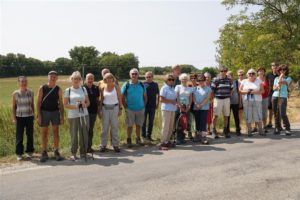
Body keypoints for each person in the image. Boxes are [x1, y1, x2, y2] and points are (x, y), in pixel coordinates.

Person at [36, 71, 64, 162]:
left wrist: (62, 116)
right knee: (44, 133)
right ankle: (44, 152)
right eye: (51, 76)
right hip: (44, 112)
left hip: (55, 112)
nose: (53, 78)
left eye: (54, 77)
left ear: (57, 78)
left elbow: (61, 103)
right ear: (48, 77)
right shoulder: (42, 88)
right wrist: (39, 115)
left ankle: (56, 151)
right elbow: (38, 102)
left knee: (56, 133)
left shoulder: (58, 89)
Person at [64, 71, 90, 161]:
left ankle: (83, 153)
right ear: (71, 79)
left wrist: (84, 105)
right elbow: (65, 104)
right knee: (74, 135)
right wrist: (75, 106)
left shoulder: (83, 89)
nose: (76, 80)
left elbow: (88, 102)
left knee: (84, 134)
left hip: (84, 114)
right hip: (73, 116)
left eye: (78, 78)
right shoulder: (68, 90)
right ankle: (73, 153)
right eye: (74, 78)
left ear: (80, 80)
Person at [121, 68, 147, 148]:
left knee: (139, 125)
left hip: (140, 108)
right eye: (133, 74)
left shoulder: (142, 84)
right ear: (130, 75)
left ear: (138, 75)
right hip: (130, 109)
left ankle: (138, 139)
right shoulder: (126, 85)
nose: (134, 75)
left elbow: (145, 96)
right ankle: (129, 140)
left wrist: (144, 106)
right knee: (130, 125)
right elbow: (122, 97)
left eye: (136, 74)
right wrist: (126, 107)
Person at [12, 76, 35, 161]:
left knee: (30, 135)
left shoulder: (31, 92)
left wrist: (34, 115)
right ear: (18, 82)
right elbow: (14, 106)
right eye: (22, 81)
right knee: (19, 136)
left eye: (25, 81)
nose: (24, 83)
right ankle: (19, 154)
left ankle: (29, 152)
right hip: (19, 117)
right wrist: (14, 118)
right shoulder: (15, 93)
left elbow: (32, 104)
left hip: (29, 116)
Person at [99, 73, 122, 152]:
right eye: (107, 78)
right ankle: (103, 145)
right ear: (105, 79)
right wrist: (100, 110)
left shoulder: (116, 87)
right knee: (104, 128)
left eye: (110, 77)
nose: (109, 79)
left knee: (114, 127)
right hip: (105, 108)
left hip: (115, 108)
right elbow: (102, 99)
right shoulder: (102, 88)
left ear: (113, 78)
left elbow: (120, 98)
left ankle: (115, 145)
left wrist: (120, 109)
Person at [239, 69, 264, 136]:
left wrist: (254, 92)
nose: (251, 75)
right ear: (247, 74)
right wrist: (247, 92)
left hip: (257, 100)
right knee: (248, 115)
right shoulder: (244, 81)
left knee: (258, 115)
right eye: (250, 73)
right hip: (247, 101)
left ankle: (260, 130)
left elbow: (262, 91)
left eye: (253, 73)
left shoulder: (259, 81)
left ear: (255, 74)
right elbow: (240, 91)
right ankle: (249, 131)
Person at [211, 67, 233, 139]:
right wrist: (214, 99)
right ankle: (213, 130)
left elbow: (232, 88)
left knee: (226, 115)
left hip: (226, 99)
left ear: (226, 71)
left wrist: (229, 95)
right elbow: (212, 91)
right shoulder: (216, 79)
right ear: (219, 71)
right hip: (218, 99)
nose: (223, 72)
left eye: (225, 71)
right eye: (222, 71)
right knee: (216, 115)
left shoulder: (229, 79)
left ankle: (225, 130)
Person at [272, 65, 292, 135]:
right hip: (275, 96)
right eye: (281, 70)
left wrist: (280, 77)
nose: (282, 71)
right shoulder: (276, 78)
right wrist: (278, 85)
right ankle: (277, 128)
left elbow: (282, 82)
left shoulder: (288, 78)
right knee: (276, 113)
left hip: (283, 96)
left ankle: (287, 128)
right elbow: (274, 88)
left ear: (286, 71)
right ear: (279, 71)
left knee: (282, 113)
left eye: (284, 70)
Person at [159, 74, 177, 150]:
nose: (171, 81)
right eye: (169, 79)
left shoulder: (172, 88)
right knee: (165, 126)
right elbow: (161, 100)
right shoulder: (164, 88)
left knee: (170, 126)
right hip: (166, 109)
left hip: (173, 109)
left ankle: (167, 141)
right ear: (166, 80)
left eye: (172, 79)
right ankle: (162, 142)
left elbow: (175, 99)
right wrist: (171, 101)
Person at [193, 74, 211, 144]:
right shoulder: (195, 88)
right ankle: (197, 135)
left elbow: (207, 98)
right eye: (199, 80)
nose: (200, 82)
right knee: (197, 122)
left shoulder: (208, 88)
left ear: (204, 80)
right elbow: (193, 97)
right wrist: (196, 104)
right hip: (196, 107)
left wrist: (201, 105)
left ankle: (203, 137)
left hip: (204, 108)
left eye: (202, 80)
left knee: (203, 122)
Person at [174, 73, 193, 144]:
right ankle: (178, 138)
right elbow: (177, 97)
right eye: (182, 79)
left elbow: (190, 97)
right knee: (179, 123)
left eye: (185, 79)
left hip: (187, 107)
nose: (184, 80)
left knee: (185, 123)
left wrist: (189, 106)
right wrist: (179, 106)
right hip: (179, 107)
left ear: (187, 80)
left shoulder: (189, 88)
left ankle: (183, 137)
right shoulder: (177, 87)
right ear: (180, 80)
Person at [83, 73, 99, 153]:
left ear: (93, 79)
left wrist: (99, 110)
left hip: (93, 112)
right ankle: (83, 148)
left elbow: (97, 99)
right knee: (84, 130)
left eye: (91, 78)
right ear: (85, 79)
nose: (90, 80)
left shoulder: (96, 88)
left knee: (90, 130)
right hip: (84, 112)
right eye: (88, 78)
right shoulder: (82, 88)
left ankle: (89, 147)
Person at [142, 71, 159, 141]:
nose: (148, 78)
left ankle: (149, 136)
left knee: (151, 122)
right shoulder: (142, 84)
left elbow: (158, 94)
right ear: (145, 77)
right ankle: (143, 136)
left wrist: (157, 103)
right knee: (143, 122)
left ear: (152, 77)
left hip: (152, 106)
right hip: (144, 106)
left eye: (150, 77)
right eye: (147, 77)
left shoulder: (155, 84)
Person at [226, 71, 241, 136]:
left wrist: (240, 102)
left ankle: (238, 129)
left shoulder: (237, 82)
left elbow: (239, 93)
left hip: (235, 102)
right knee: (227, 116)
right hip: (227, 102)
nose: (230, 77)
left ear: (233, 76)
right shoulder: (226, 83)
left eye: (231, 75)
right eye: (228, 76)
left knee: (236, 116)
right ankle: (227, 129)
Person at [266, 62, 279, 128]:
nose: (274, 67)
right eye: (273, 65)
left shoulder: (280, 75)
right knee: (270, 108)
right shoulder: (268, 75)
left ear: (278, 67)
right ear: (271, 67)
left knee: (277, 109)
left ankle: (278, 123)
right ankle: (270, 122)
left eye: (276, 65)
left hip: (278, 93)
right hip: (270, 93)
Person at [257, 67, 269, 133]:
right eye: (259, 71)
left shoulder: (266, 79)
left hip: (265, 98)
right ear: (257, 72)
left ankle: (265, 126)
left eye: (262, 71)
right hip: (258, 98)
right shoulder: (256, 79)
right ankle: (258, 127)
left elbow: (269, 87)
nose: (261, 72)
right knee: (258, 113)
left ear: (264, 72)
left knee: (264, 113)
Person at [188, 73, 198, 140]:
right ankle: (189, 133)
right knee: (190, 120)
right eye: (192, 78)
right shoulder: (188, 86)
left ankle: (196, 134)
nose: (193, 79)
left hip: (197, 104)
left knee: (196, 120)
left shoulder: (198, 85)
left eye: (194, 78)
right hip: (190, 104)